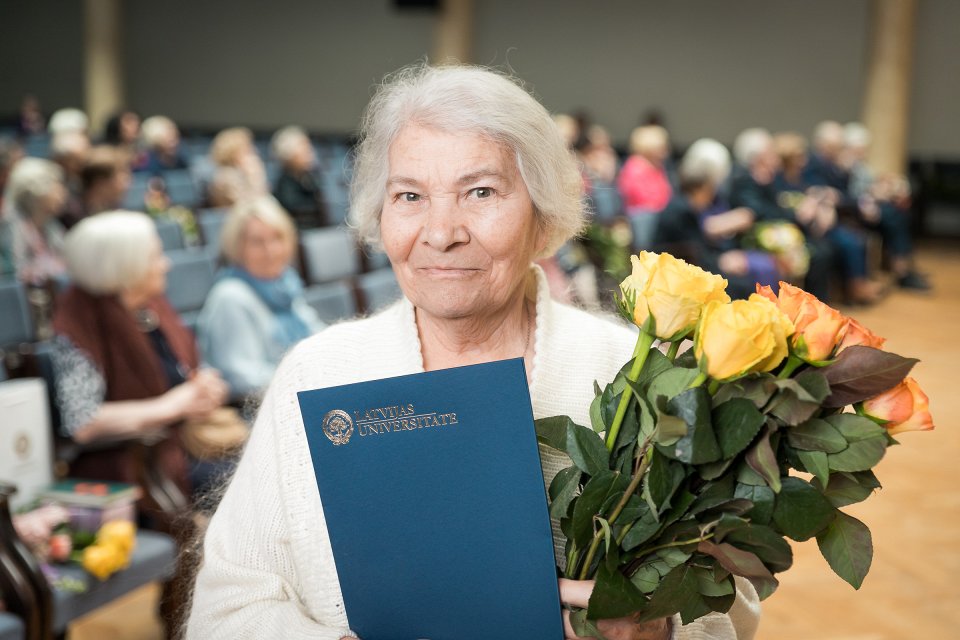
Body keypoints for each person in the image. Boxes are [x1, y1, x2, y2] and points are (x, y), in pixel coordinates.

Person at [187, 64, 759, 640]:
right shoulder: (315, 375)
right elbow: (228, 609)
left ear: (543, 216)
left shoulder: (635, 375)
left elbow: (730, 608)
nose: (441, 232)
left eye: (480, 191)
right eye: (409, 195)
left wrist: (657, 631)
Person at [51, 211, 229, 498]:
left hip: (185, 443)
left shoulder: (150, 303)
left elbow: (183, 370)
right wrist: (172, 405)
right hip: (134, 465)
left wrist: (203, 388)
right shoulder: (78, 321)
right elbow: (84, 422)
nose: (166, 265)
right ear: (125, 267)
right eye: (155, 257)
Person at [197, 196, 323, 401]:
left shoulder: (285, 285)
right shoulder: (230, 296)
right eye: (257, 242)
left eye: (277, 238)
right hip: (258, 411)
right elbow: (242, 378)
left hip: (297, 396)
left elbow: (315, 335)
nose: (270, 251)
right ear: (238, 248)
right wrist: (306, 380)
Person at [654, 138, 779, 299]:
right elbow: (692, 252)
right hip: (678, 274)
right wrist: (721, 261)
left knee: (745, 281)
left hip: (688, 267)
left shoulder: (682, 206)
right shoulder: (683, 211)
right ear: (703, 188)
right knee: (744, 287)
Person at [0, 157, 68, 285]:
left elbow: (65, 257)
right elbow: (14, 272)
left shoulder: (50, 223)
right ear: (36, 192)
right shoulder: (11, 224)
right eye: (56, 188)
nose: (63, 194)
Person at [271, 125, 329, 229]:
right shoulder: (284, 186)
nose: (310, 151)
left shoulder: (311, 179)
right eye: (303, 147)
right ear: (289, 154)